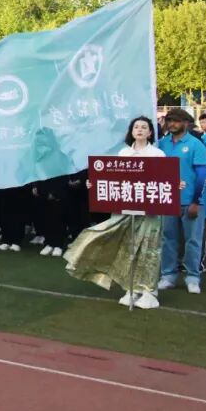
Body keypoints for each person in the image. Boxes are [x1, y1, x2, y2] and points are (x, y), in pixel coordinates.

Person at [64, 116, 170, 309]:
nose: (139, 130)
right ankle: (131, 287)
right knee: (128, 247)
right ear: (131, 131)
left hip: (150, 211)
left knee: (149, 249)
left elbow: (163, 180)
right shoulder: (123, 153)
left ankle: (149, 291)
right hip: (125, 209)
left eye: (143, 127)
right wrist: (94, 184)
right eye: (136, 127)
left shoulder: (157, 154)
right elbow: (113, 178)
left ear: (150, 132)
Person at [157, 107, 206, 295]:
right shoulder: (161, 144)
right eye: (169, 120)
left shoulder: (196, 144)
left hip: (191, 201)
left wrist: (196, 201)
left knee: (193, 241)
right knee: (168, 239)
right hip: (167, 200)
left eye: (176, 120)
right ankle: (168, 276)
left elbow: (203, 175)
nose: (172, 124)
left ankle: (192, 277)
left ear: (186, 123)